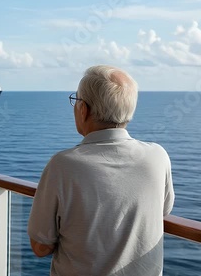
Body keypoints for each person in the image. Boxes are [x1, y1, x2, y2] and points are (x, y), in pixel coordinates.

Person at [28, 65, 175, 276]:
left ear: (83, 109)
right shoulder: (158, 156)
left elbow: (40, 247)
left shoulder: (63, 165)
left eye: (76, 100)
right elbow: (163, 210)